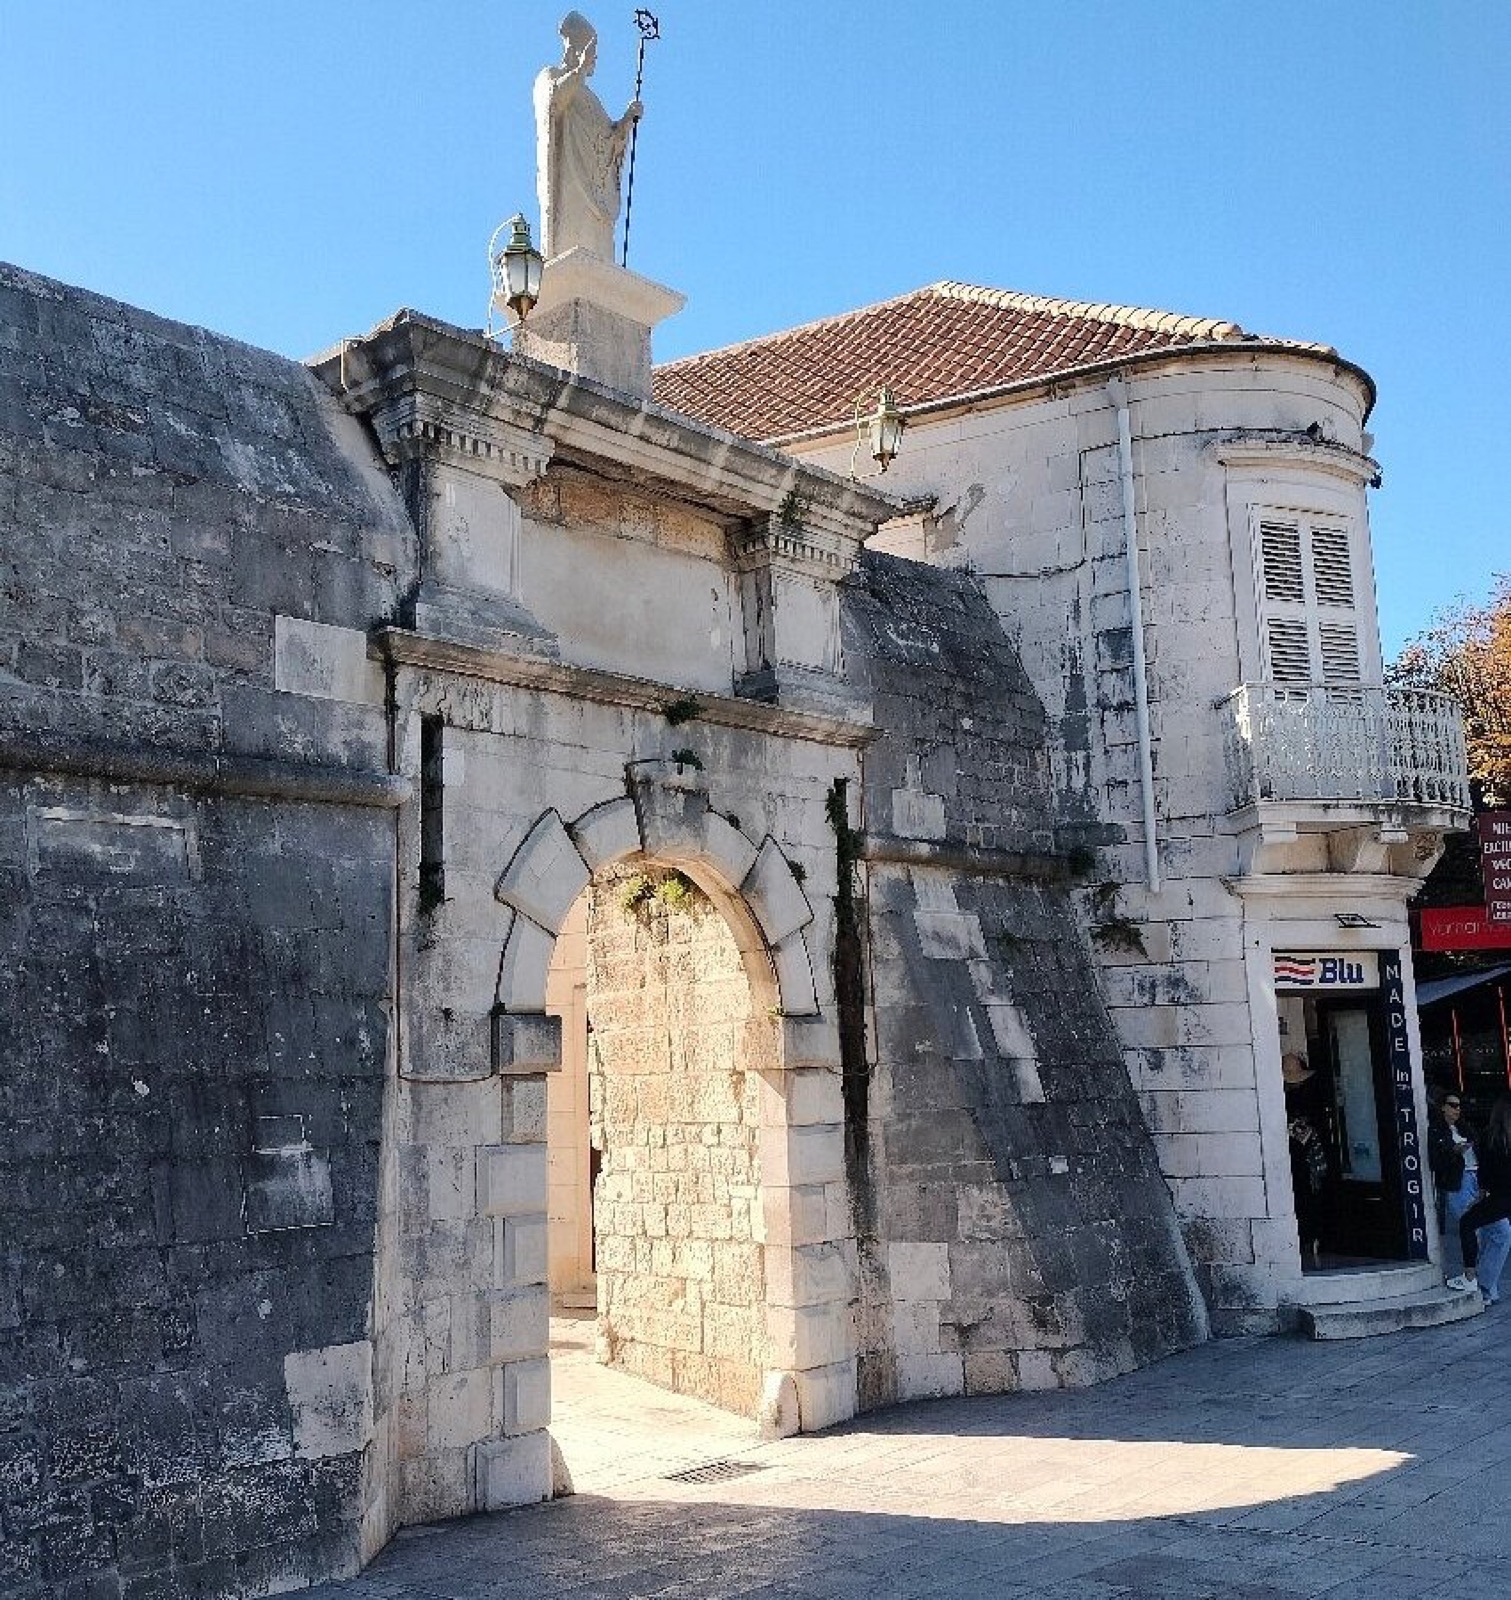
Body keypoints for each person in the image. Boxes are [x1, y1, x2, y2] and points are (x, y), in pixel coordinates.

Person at [534, 12, 642, 260]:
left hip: (593, 188)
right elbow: (554, 102)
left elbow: (606, 140)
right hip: (570, 179)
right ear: (576, 47)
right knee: (572, 244)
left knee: (596, 249)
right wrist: (579, 70)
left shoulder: (590, 98)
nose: (595, 59)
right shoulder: (550, 76)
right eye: (591, 51)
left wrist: (625, 122)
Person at [1447, 1095, 1511, 1306]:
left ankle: (1470, 1277)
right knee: (1490, 1231)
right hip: (1502, 1196)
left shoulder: (1491, 1137)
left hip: (1497, 1195)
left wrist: (1481, 1194)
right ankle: (1483, 1286)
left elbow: (1486, 1173)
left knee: (1469, 1224)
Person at [1283, 1051, 1329, 1266]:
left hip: (1309, 1143)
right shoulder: (1278, 1083)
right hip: (1287, 1145)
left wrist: (1303, 1128)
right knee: (1295, 1188)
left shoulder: (1313, 1082)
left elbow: (1320, 1110)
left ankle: (1316, 1236)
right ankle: (1300, 1236)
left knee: (1312, 1187)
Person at [1429, 1092, 1477, 1237]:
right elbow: (1436, 1161)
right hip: (1459, 1178)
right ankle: (1473, 1257)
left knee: (1489, 1225)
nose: (1457, 1109)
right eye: (1453, 1105)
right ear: (1443, 1107)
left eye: (1459, 1106)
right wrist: (1454, 1151)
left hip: (1476, 1175)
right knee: (1471, 1222)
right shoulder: (1436, 1131)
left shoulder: (1464, 1128)